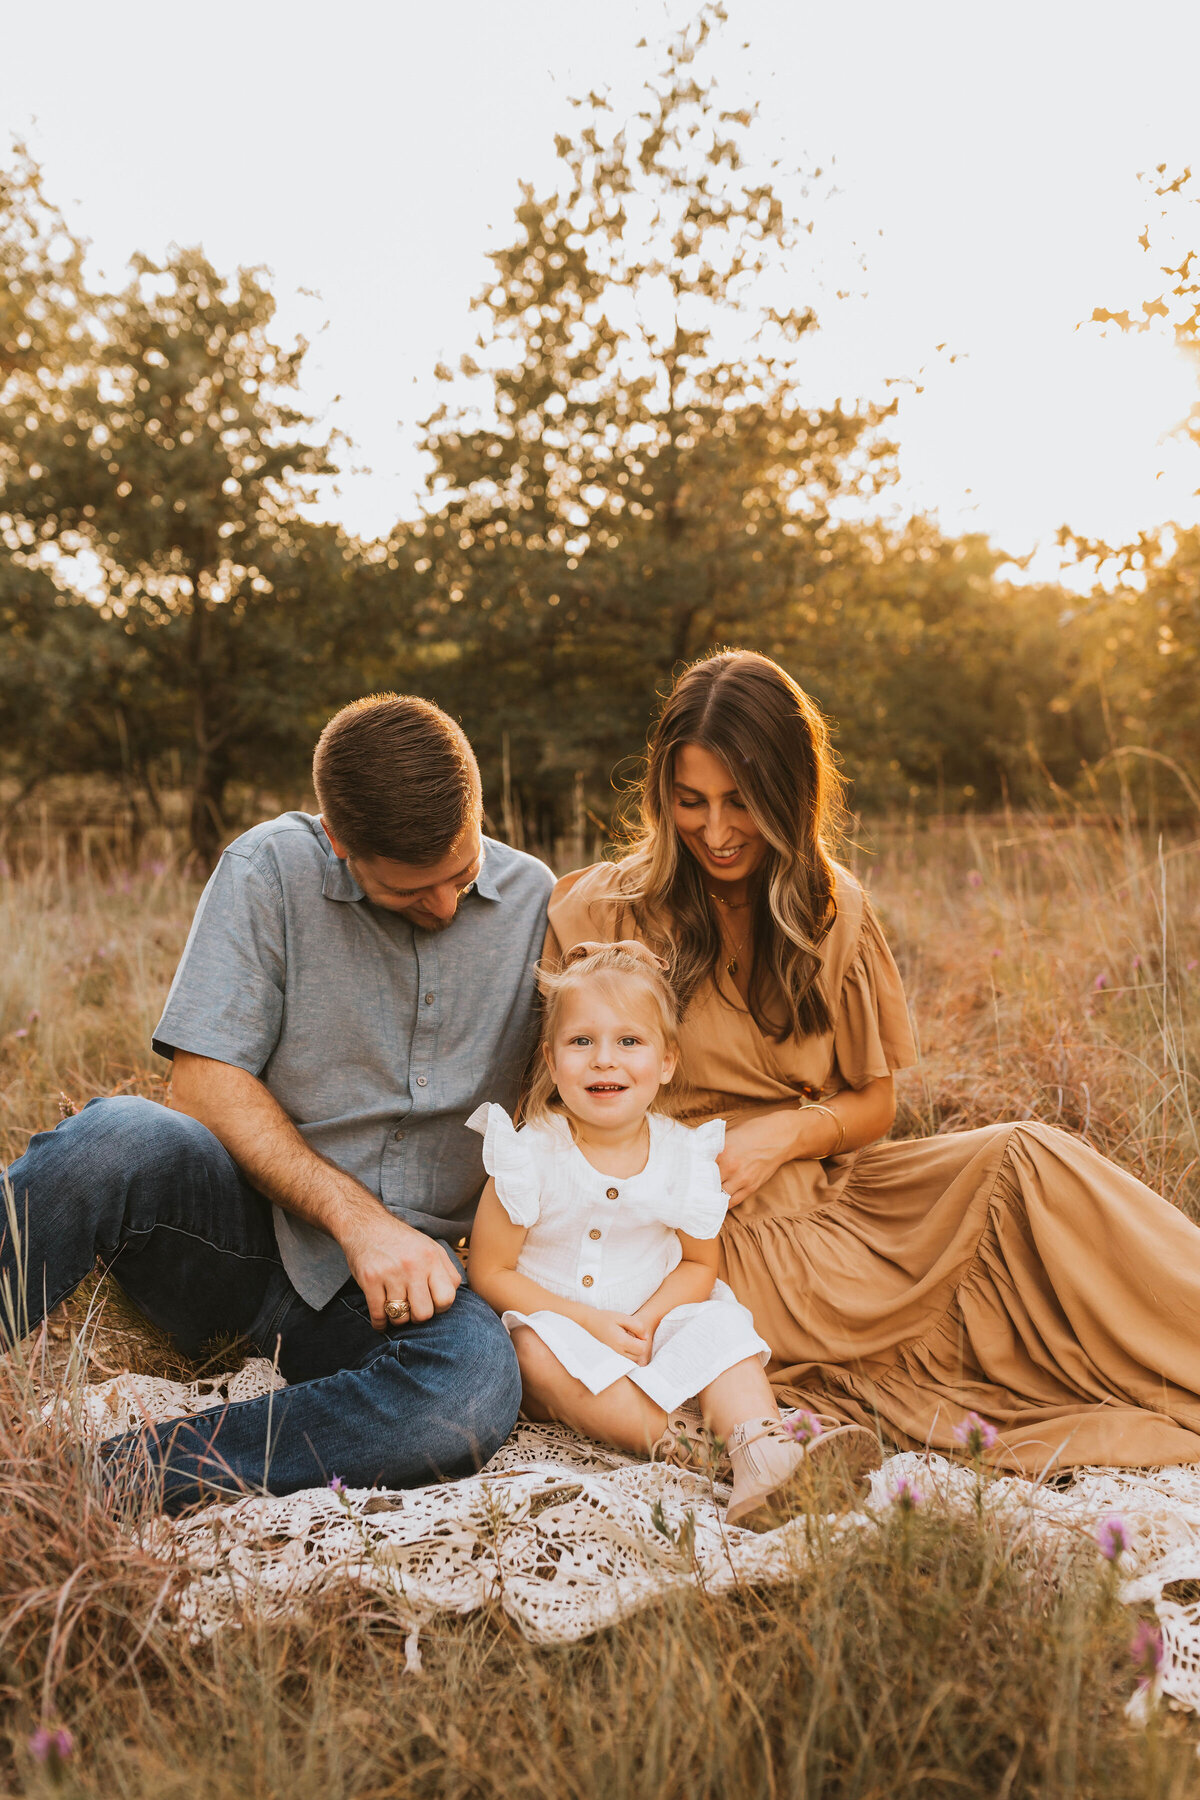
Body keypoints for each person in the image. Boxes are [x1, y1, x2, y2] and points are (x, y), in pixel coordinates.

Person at [543, 649, 1200, 1476]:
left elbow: (874, 1107)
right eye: (691, 802)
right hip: (691, 1235)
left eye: (742, 802)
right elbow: (550, 1110)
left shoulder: (830, 908)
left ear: (790, 792)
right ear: (661, 796)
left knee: (1028, 1156)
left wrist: (785, 1133)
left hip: (829, 1193)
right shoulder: (599, 910)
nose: (715, 831)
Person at [1, 694, 553, 1512]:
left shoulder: (538, 901)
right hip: (240, 1240)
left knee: (469, 1390)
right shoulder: (269, 867)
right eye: (409, 892)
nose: (445, 907)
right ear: (339, 844)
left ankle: (91, 1482)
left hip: (399, 1297)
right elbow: (201, 1082)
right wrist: (360, 1223)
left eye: (461, 876)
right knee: (116, 1134)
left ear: (479, 809)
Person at [465, 940, 882, 1528]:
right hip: (558, 1326)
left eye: (629, 1041)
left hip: (649, 1322)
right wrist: (588, 1323)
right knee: (531, 1350)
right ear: (552, 1062)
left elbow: (696, 1266)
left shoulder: (685, 1156)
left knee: (718, 1322)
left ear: (666, 1062)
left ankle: (763, 1450)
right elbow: (491, 1272)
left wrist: (650, 1320)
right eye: (581, 1041)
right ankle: (702, 1455)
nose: (604, 1060)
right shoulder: (527, 1154)